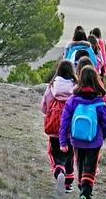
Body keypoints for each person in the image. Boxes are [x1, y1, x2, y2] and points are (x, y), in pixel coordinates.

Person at [59, 66, 106, 199]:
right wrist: (101, 137)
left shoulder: (72, 100)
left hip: (77, 140)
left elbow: (64, 122)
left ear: (80, 79)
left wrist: (63, 141)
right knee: (90, 166)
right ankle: (86, 191)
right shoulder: (99, 102)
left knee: (80, 163)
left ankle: (81, 187)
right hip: (94, 141)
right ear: (96, 80)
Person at [40, 60, 77, 196]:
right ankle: (68, 184)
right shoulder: (76, 86)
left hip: (55, 127)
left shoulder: (52, 85)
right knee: (70, 154)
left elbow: (44, 106)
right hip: (72, 129)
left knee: (55, 153)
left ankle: (59, 171)